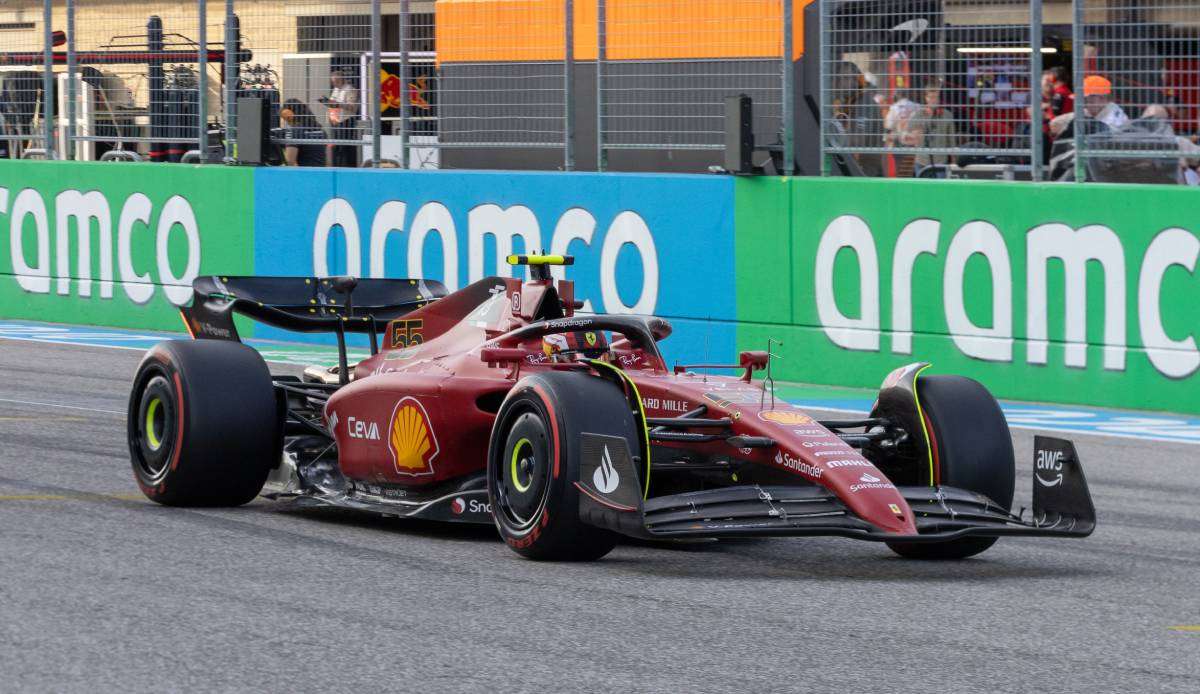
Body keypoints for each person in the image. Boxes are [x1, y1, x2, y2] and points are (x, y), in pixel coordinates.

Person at [908, 85, 957, 170]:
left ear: (939, 98)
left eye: (936, 97)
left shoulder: (947, 115)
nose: (933, 100)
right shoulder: (918, 114)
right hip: (921, 161)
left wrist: (954, 160)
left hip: (940, 161)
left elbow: (951, 140)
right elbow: (910, 134)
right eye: (931, 97)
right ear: (926, 98)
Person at [320, 69, 360, 167]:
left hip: (346, 121)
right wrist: (326, 101)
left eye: (336, 81)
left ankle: (348, 166)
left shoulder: (350, 90)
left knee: (346, 147)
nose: (334, 84)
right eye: (333, 82)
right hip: (335, 121)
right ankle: (337, 165)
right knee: (336, 147)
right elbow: (333, 104)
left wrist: (338, 104)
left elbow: (352, 107)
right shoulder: (336, 89)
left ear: (342, 79)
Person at [279, 99, 326, 167]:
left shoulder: (295, 131)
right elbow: (328, 161)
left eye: (285, 118)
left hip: (304, 173)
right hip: (321, 173)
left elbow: (290, 161)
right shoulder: (321, 131)